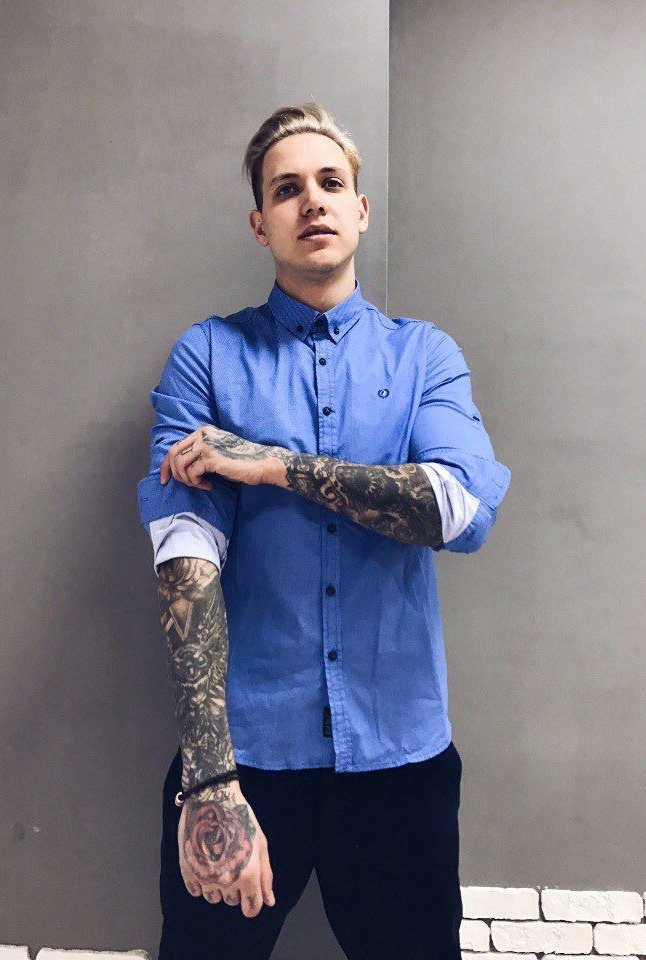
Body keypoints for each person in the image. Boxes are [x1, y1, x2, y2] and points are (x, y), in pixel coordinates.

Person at [137, 101, 511, 960]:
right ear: (259, 223)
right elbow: (185, 557)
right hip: (246, 756)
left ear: (360, 209)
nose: (312, 200)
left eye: (331, 183)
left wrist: (275, 465)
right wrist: (210, 778)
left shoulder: (424, 356)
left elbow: (457, 511)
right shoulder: (207, 356)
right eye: (287, 188)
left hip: (400, 760)